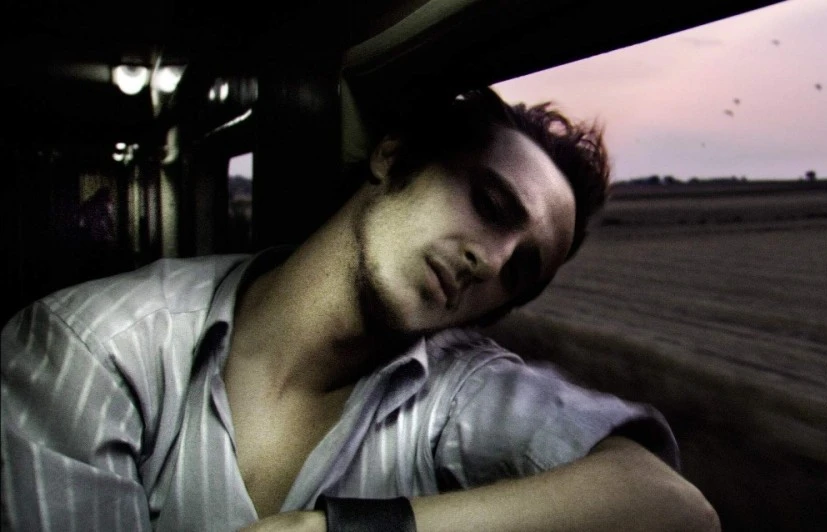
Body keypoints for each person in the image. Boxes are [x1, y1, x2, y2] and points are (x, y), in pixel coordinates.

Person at [1, 88, 719, 531]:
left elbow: (670, 505)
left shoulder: (455, 388)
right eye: (491, 204)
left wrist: (342, 531)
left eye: (521, 271)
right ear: (393, 156)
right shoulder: (93, 346)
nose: (492, 261)